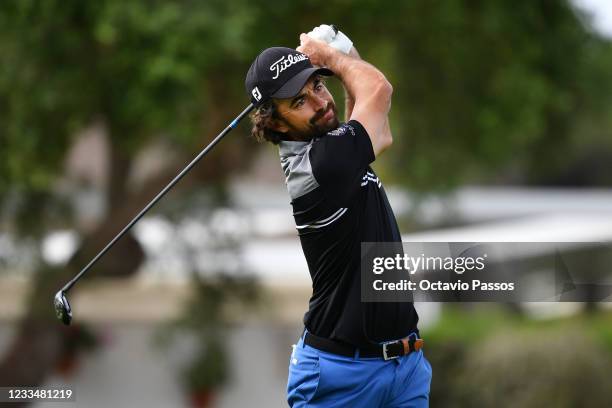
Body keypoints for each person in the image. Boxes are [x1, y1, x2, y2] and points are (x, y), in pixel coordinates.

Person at [245, 25, 432, 408]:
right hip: (340, 377)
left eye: (317, 85)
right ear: (276, 124)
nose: (319, 102)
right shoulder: (321, 165)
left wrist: (345, 49)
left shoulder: (332, 149)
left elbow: (378, 129)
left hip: (404, 367)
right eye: (299, 101)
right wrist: (330, 56)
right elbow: (378, 92)